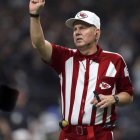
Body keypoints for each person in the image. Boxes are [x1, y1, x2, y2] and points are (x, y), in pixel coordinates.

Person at [29, 0, 134, 140]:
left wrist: (113, 98)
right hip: (69, 134)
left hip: (100, 135)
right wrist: (34, 15)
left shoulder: (115, 60)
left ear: (97, 32)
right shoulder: (65, 57)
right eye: (75, 29)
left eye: (83, 28)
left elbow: (128, 95)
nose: (77, 32)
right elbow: (38, 43)